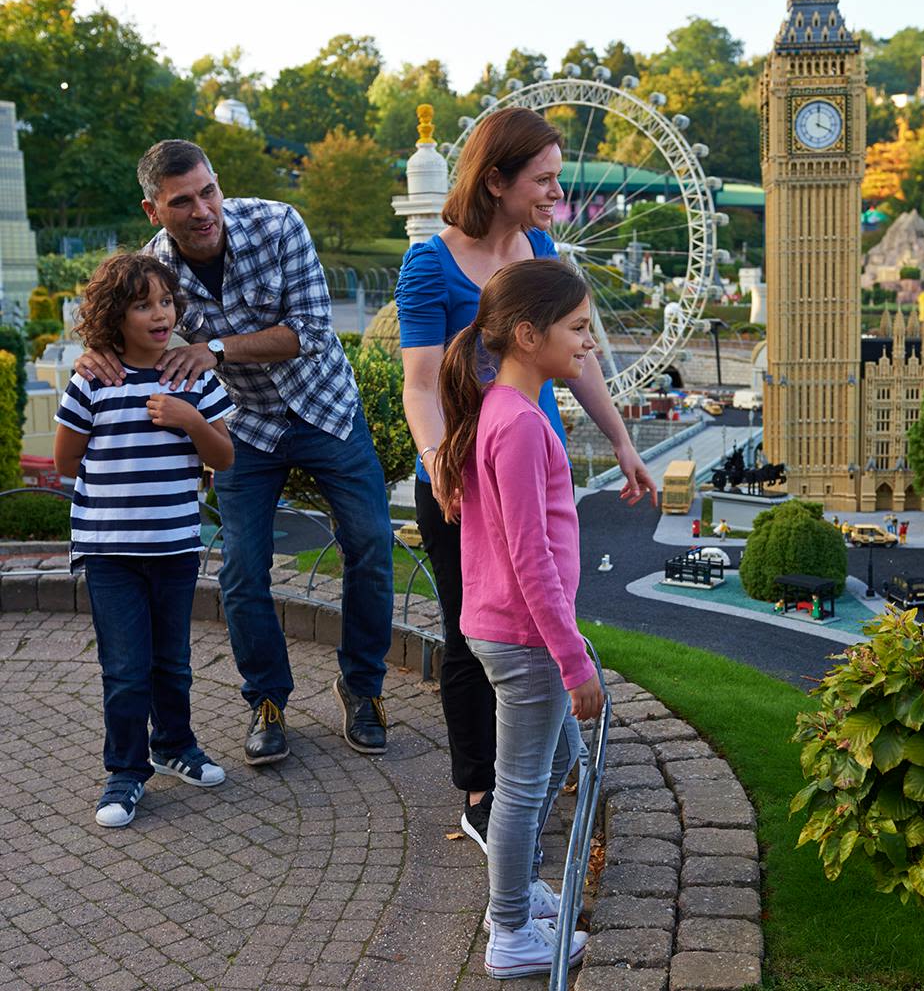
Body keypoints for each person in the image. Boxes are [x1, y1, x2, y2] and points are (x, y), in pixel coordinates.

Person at [73, 139, 395, 764]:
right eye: (182, 201)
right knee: (243, 571)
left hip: (324, 407)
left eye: (209, 191)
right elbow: (113, 323)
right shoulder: (153, 267)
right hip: (243, 426)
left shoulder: (278, 224)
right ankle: (266, 700)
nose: (203, 210)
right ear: (152, 210)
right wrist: (95, 353)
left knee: (372, 545)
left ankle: (362, 688)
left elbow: (308, 332)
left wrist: (213, 350)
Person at [396, 107, 656, 852]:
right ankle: (483, 790)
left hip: (526, 468)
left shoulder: (540, 247)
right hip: (459, 483)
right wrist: (445, 466)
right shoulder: (429, 265)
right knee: (474, 635)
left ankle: (544, 755)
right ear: (496, 179)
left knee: (540, 609)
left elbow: (578, 360)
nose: (556, 194)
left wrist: (621, 442)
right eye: (543, 180)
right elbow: (420, 384)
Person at [436, 258, 600, 979]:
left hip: (506, 629)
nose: (589, 343)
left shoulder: (496, 413)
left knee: (555, 761)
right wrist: (573, 659)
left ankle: (519, 888)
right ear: (530, 336)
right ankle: (509, 931)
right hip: (526, 638)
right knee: (522, 789)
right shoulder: (523, 426)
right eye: (579, 328)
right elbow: (531, 558)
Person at [54, 253, 235, 827]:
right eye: (142, 305)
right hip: (110, 552)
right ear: (115, 316)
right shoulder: (93, 379)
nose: (160, 314)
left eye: (165, 302)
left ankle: (175, 745)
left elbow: (224, 457)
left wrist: (189, 420)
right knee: (127, 667)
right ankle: (126, 771)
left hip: (174, 548)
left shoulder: (194, 379)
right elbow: (65, 459)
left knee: (172, 663)